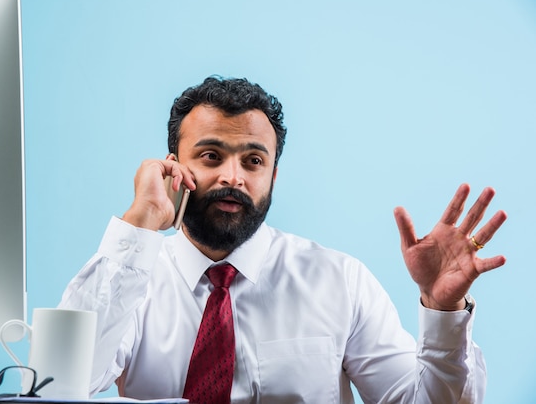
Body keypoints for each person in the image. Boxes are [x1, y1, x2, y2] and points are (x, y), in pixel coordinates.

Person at [59, 76, 507, 403]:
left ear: (272, 175)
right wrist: (140, 222)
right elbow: (62, 379)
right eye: (211, 156)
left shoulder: (339, 280)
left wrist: (442, 310)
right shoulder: (133, 277)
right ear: (173, 166)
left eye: (253, 161)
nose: (233, 176)